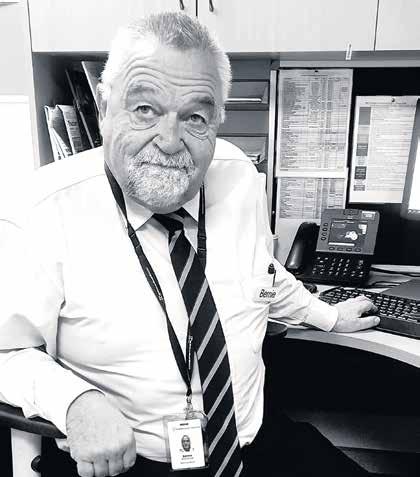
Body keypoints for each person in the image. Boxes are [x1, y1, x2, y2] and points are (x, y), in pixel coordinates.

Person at [0, 12, 381, 477]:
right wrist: (74, 401)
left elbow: (261, 273)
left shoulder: (239, 178)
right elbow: (6, 353)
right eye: (145, 109)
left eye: (195, 117)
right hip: (135, 463)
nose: (169, 141)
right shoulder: (39, 214)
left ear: (217, 122)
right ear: (103, 107)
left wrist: (328, 316)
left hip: (251, 443)